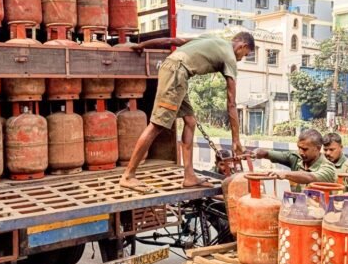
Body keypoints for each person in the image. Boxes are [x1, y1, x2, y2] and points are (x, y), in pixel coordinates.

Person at [119, 32, 255, 193]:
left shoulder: (213, 39)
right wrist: (236, 140)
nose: (241, 59)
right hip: (177, 73)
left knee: (190, 122)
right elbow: (231, 103)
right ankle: (128, 176)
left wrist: (142, 45)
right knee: (157, 125)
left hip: (176, 72)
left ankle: (189, 177)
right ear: (242, 46)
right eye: (245, 55)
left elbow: (173, 40)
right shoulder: (230, 57)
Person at [253, 129, 336, 192]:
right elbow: (267, 154)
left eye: (305, 149)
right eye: (299, 148)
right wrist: (256, 153)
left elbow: (310, 177)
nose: (300, 152)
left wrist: (285, 174)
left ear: (318, 148)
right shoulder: (296, 158)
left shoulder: (328, 168)